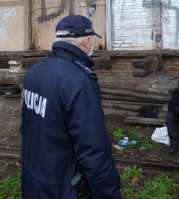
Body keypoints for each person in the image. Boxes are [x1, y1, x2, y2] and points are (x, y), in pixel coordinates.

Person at [21, 15, 120, 199]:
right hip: (62, 187)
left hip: (33, 180)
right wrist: (109, 193)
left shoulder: (35, 72)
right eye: (92, 41)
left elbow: (27, 128)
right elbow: (93, 150)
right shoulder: (79, 81)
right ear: (87, 41)